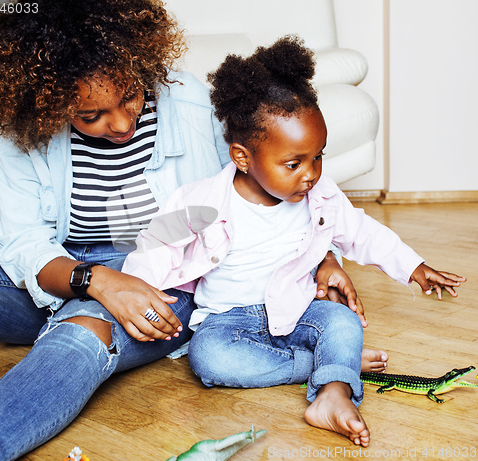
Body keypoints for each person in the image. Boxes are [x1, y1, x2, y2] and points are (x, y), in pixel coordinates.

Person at [0, 3, 373, 460]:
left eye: (131, 96)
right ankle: (66, 322)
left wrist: (322, 258)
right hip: (62, 265)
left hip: (169, 269)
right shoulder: (20, 132)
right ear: (46, 100)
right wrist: (97, 281)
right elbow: (25, 243)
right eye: (91, 116)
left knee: (85, 330)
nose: (123, 124)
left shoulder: (187, 98)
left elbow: (277, 180)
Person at [122, 36, 466, 447]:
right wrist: (137, 290)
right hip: (229, 320)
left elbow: (361, 231)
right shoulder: (202, 200)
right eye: (294, 163)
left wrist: (413, 267)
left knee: (341, 321)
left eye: (318, 156)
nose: (311, 173)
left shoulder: (319, 196)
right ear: (242, 157)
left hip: (300, 310)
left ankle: (333, 394)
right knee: (209, 360)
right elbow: (156, 244)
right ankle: (330, 365)